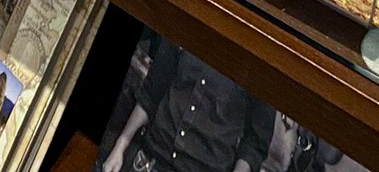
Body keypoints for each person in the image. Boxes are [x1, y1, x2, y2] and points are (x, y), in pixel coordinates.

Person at [101, 38, 273, 172]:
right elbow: (152, 93)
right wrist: (121, 144)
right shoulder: (187, 26)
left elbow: (255, 144)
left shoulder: (261, 66)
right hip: (151, 159)